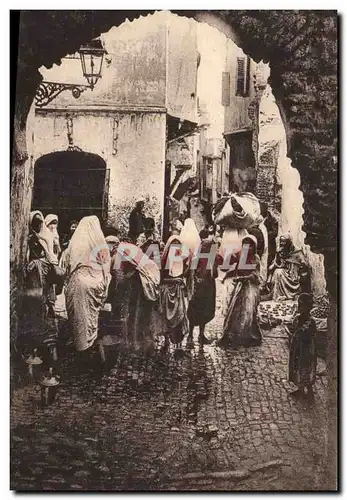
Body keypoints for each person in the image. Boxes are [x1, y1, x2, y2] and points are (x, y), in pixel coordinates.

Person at [63, 216, 111, 359]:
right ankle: (90, 345)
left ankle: (80, 348)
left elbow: (66, 264)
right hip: (95, 285)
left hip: (78, 282)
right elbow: (106, 265)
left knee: (78, 317)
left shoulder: (75, 243)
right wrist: (102, 282)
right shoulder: (100, 243)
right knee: (90, 317)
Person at [20, 211, 58, 350]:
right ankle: (37, 341)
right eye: (35, 223)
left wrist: (39, 262)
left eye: (40, 223)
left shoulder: (46, 235)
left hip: (44, 275)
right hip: (33, 277)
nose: (38, 225)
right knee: (34, 305)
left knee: (45, 304)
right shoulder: (27, 237)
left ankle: (48, 343)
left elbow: (51, 257)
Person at [218, 235, 262, 348]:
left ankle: (248, 336)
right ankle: (234, 335)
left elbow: (255, 276)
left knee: (248, 311)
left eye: (250, 246)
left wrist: (244, 278)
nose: (247, 248)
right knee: (235, 310)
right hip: (240, 286)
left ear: (254, 247)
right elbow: (226, 267)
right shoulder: (240, 256)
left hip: (251, 286)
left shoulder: (256, 258)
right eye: (245, 245)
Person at [117, 242, 161, 353]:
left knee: (137, 316)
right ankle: (142, 341)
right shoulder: (144, 265)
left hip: (141, 294)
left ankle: (137, 342)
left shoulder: (139, 270)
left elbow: (124, 277)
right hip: (144, 294)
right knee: (141, 317)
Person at [187, 229, 218, 345]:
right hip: (203, 285)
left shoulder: (202, 251)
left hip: (204, 285)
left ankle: (196, 335)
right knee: (198, 309)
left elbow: (214, 272)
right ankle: (195, 335)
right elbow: (213, 273)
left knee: (201, 309)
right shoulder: (205, 252)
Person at [161, 235, 190, 350]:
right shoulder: (166, 263)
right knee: (167, 317)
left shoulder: (182, 261)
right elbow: (162, 279)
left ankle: (178, 345)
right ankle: (166, 341)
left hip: (179, 293)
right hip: (168, 292)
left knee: (180, 316)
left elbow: (185, 275)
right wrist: (174, 280)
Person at [288, 293, 317, 398]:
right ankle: (300, 388)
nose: (299, 308)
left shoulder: (311, 321)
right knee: (298, 367)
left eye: (302, 306)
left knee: (307, 368)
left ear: (308, 308)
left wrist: (299, 332)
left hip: (307, 349)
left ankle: (309, 389)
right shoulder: (298, 318)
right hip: (298, 348)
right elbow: (294, 328)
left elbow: (309, 334)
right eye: (299, 305)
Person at [268, 234, 308, 301]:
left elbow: (304, 265)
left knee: (279, 272)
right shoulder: (280, 251)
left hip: (293, 275)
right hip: (284, 272)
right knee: (278, 272)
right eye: (281, 241)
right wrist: (278, 254)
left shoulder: (297, 252)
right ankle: (278, 295)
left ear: (289, 242)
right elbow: (277, 264)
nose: (282, 243)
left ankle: (288, 294)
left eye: (284, 242)